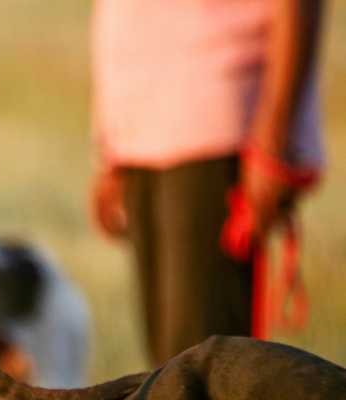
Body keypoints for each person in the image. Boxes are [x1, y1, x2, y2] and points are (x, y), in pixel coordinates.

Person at [91, 0, 326, 365]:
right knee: (167, 377)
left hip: (218, 119)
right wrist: (115, 139)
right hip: (142, 127)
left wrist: (274, 136)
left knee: (204, 372)